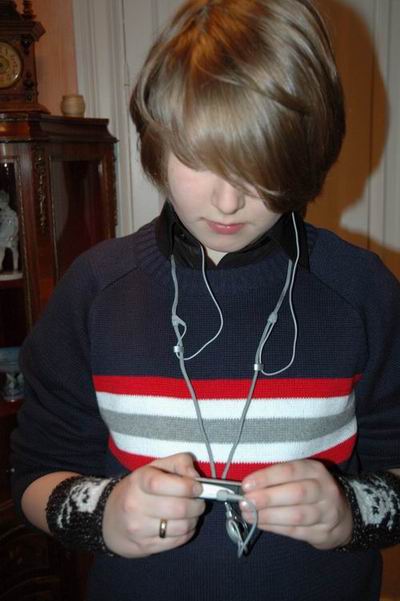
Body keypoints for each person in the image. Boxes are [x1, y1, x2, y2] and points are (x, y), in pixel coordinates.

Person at [11, 1, 400, 600]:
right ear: (156, 141)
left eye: (258, 166)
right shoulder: (94, 292)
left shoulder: (362, 292)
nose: (226, 202)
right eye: (199, 159)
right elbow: (34, 475)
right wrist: (106, 514)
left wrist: (350, 512)